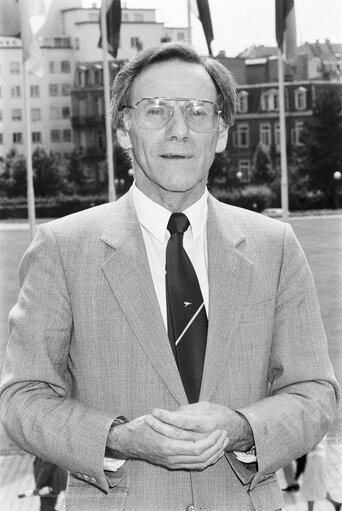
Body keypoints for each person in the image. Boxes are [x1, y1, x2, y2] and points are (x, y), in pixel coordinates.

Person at [0, 43, 339, 511]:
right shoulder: (62, 248)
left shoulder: (274, 247)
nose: (179, 131)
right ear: (124, 128)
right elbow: (22, 399)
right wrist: (119, 439)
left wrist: (241, 426)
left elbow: (314, 393)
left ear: (220, 132)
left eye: (198, 112)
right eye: (156, 110)